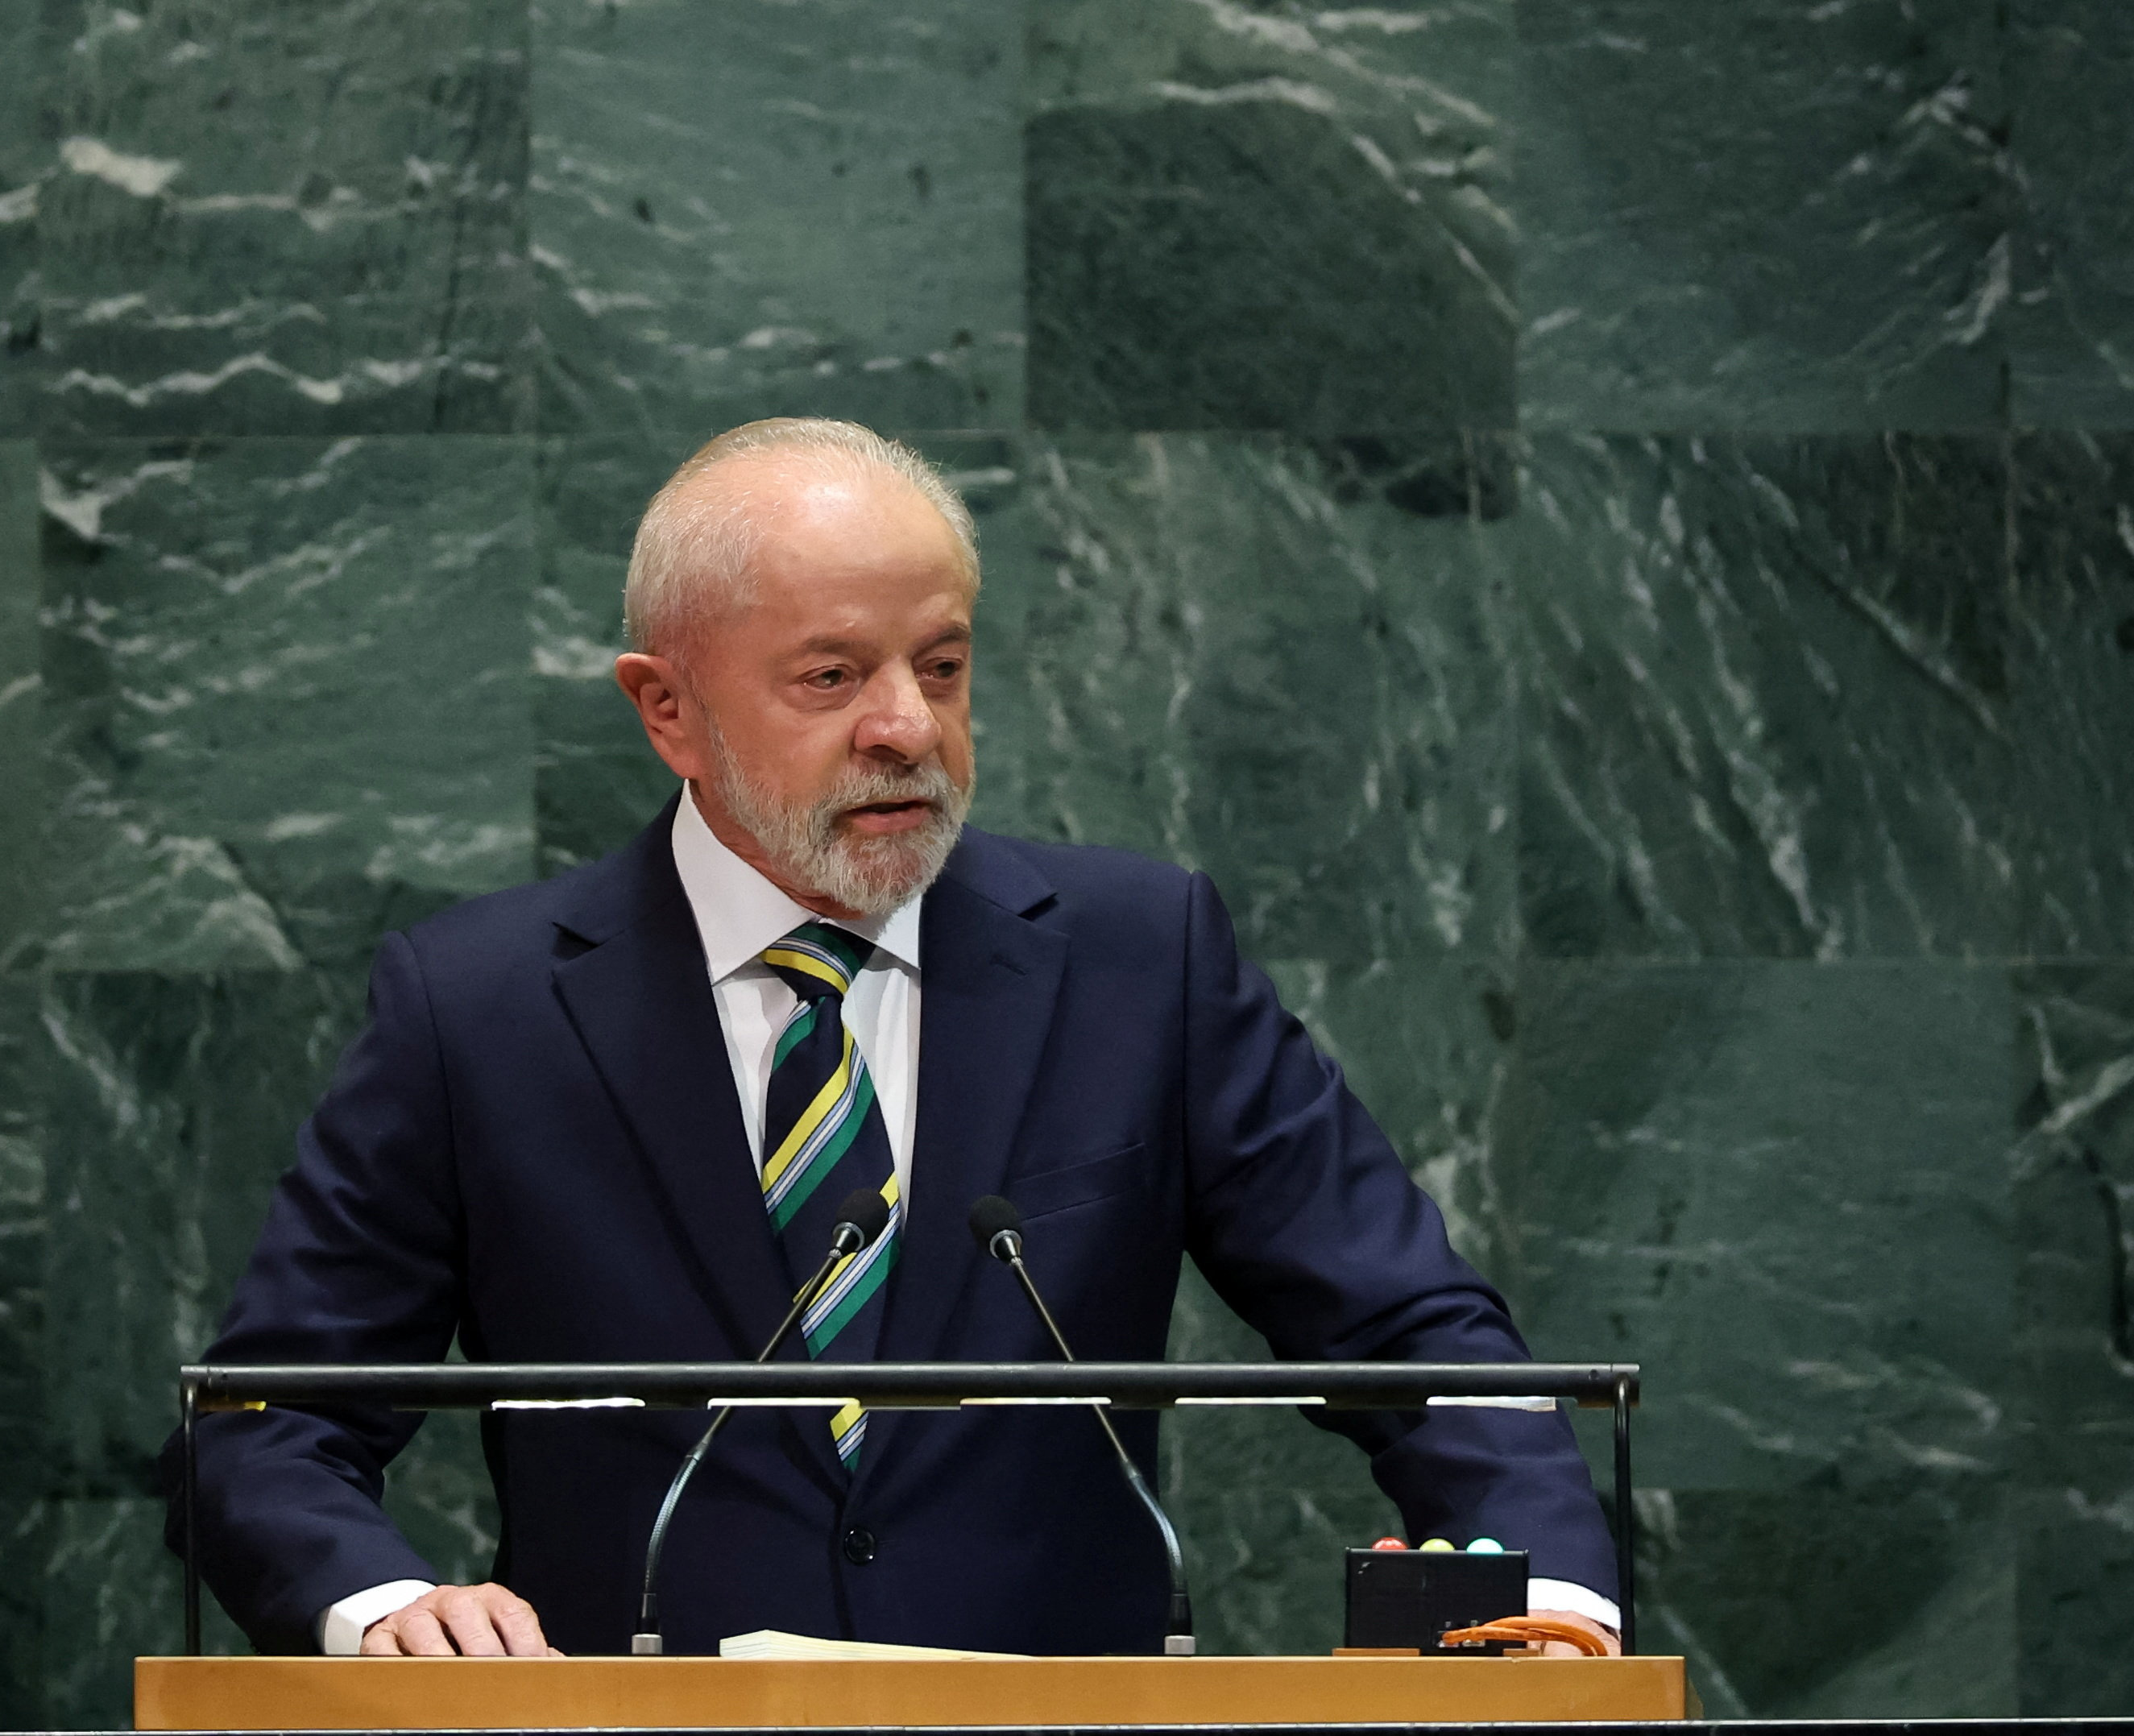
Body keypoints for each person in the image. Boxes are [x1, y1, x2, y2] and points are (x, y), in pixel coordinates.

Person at [166, 418, 1622, 1660]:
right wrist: (386, 1605)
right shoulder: (479, 1007)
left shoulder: (1136, 957)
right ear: (667, 710)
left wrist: (1550, 1594)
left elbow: (1406, 1331)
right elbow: (266, 1420)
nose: (906, 728)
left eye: (940, 665)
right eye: (830, 677)